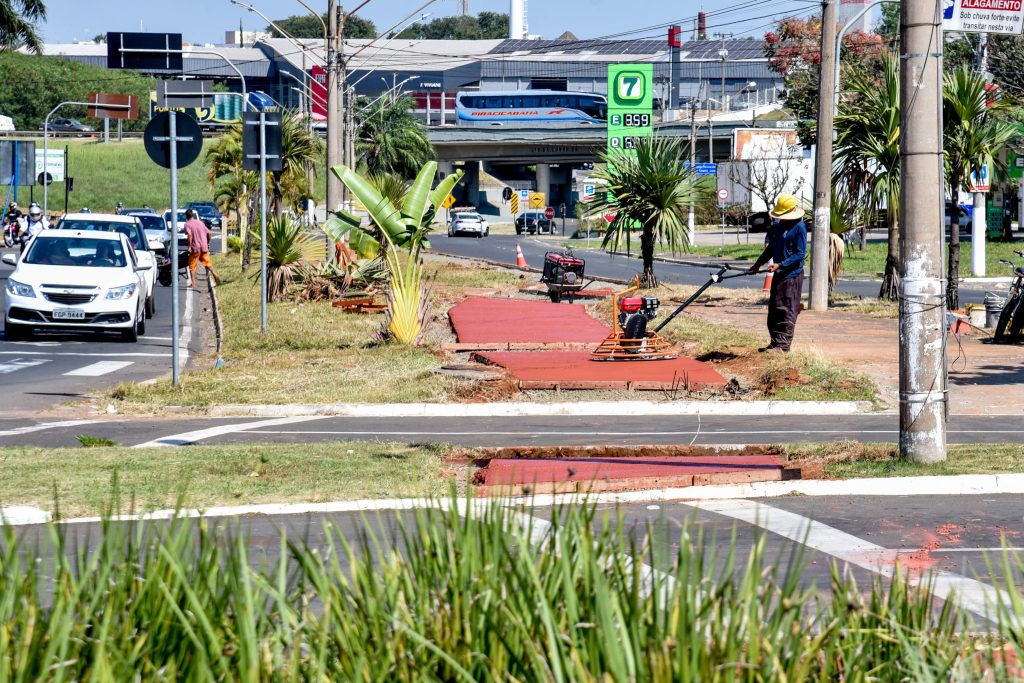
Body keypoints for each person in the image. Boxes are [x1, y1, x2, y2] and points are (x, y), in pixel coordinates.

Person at [749, 194, 807, 353]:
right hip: (779, 274)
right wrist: (758, 264)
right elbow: (771, 248)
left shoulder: (800, 227)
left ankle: (783, 346)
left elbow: (800, 254)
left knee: (786, 309)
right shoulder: (780, 225)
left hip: (791, 275)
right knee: (774, 309)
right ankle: (774, 343)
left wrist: (781, 264)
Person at [183, 208, 219, 287]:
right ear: (193, 215)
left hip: (195, 248)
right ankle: (215, 274)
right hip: (204, 247)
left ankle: (193, 284)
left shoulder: (187, 224)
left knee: (192, 266)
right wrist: (207, 243)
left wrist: (189, 246)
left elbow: (189, 235)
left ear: (186, 216)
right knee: (208, 263)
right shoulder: (201, 223)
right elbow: (208, 233)